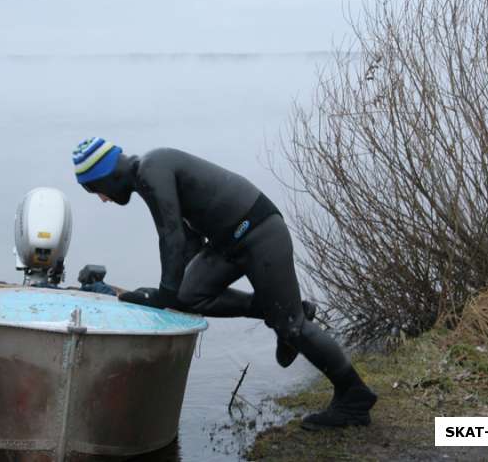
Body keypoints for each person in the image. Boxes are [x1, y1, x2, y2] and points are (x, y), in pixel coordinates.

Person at [72, 137, 377, 429]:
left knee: (291, 326)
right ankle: (285, 309)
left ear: (108, 176)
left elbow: (171, 237)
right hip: (227, 243)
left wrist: (164, 295)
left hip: (258, 231)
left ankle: (354, 397)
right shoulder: (148, 177)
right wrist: (168, 297)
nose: (103, 199)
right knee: (190, 296)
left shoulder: (153, 168)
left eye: (97, 189)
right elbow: (187, 242)